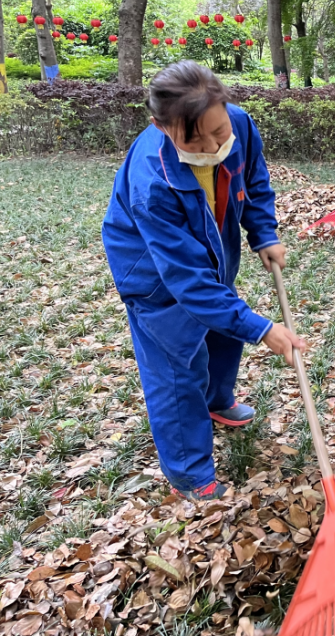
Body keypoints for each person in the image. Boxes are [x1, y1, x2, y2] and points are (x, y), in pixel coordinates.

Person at [102, 61, 306, 501]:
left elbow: (253, 177)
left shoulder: (239, 125)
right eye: (195, 140)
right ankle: (190, 474)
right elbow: (189, 283)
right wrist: (263, 329)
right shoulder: (153, 182)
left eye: (218, 132)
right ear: (160, 126)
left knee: (222, 329)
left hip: (213, 250)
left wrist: (264, 232)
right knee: (177, 368)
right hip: (155, 275)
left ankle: (216, 401)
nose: (214, 146)